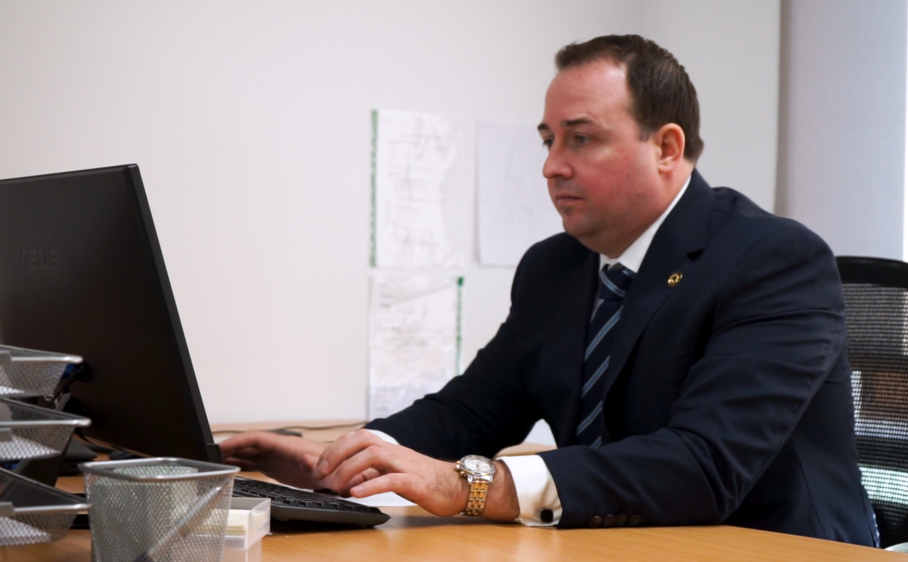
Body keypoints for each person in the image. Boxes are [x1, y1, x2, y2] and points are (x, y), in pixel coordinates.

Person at [220, 34, 877, 545]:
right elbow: (470, 413)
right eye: (549, 139)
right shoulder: (555, 269)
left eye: (581, 139)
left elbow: (703, 466)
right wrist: (357, 459)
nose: (551, 165)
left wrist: (476, 486)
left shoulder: (773, 259)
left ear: (667, 148)